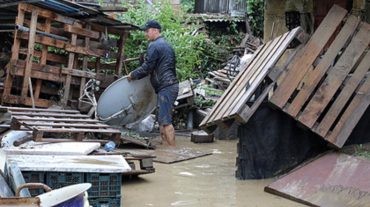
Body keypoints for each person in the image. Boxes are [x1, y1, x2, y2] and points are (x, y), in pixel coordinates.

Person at [128, 20, 179, 147]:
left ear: (155, 30)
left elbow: (147, 67)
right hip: (168, 85)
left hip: (166, 86)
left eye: (147, 31)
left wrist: (132, 75)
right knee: (162, 120)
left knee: (166, 121)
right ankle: (166, 148)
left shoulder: (154, 45)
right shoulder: (166, 45)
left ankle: (173, 152)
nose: (146, 34)